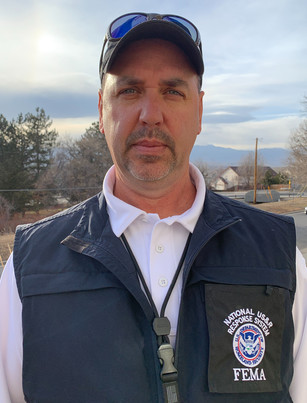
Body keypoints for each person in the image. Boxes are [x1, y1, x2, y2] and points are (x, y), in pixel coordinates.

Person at [0, 12, 307, 403]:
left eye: (172, 91)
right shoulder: (29, 269)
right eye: (129, 90)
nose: (150, 114)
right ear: (100, 110)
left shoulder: (278, 258)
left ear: (199, 111)